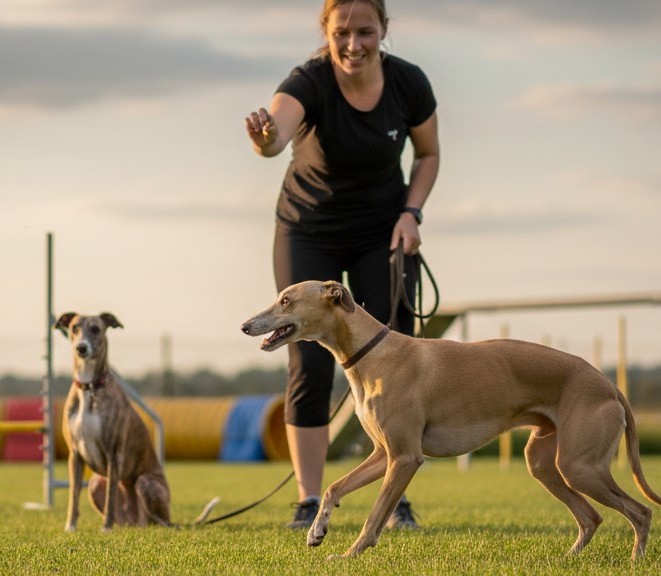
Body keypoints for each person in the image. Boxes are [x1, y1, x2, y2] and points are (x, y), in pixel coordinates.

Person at [244, 0, 439, 530]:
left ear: (384, 31)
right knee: (309, 362)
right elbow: (276, 136)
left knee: (397, 360)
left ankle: (395, 496)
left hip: (384, 231)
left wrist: (411, 213)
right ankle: (310, 500)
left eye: (366, 32)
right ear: (326, 32)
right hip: (311, 230)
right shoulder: (308, 81)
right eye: (342, 33)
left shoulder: (408, 84)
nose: (353, 44)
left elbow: (428, 154)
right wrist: (265, 140)